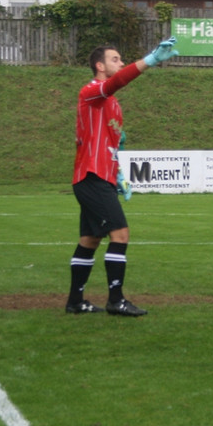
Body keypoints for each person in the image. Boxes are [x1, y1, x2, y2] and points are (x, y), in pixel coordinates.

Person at [65, 37, 179, 316]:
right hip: (91, 175)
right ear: (99, 66)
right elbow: (116, 82)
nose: (121, 63)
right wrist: (150, 60)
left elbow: (112, 145)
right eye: (115, 59)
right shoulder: (91, 91)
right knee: (120, 234)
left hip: (101, 176)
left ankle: (75, 302)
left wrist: (118, 175)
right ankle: (116, 300)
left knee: (90, 240)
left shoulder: (113, 105)